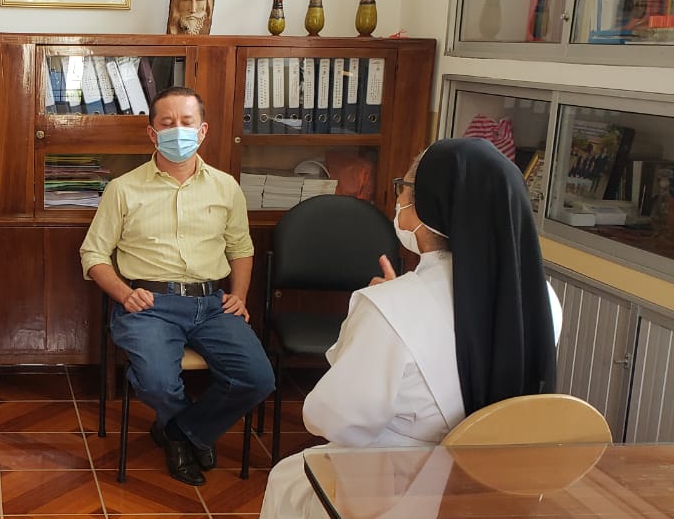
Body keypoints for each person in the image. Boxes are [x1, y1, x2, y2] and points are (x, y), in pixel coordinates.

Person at [260, 138, 563, 518]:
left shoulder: (389, 309)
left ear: (429, 205)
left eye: (402, 188)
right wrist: (394, 305)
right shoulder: (541, 299)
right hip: (500, 487)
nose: (398, 199)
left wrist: (381, 314)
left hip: (399, 490)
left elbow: (336, 419)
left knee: (287, 480)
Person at [80, 87, 275, 486]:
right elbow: (93, 254)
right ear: (152, 133)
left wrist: (239, 294)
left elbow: (241, 248)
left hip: (212, 303)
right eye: (167, 123)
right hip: (149, 305)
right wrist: (123, 293)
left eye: (187, 122)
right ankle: (189, 435)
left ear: (203, 131)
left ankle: (180, 432)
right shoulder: (123, 188)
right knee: (156, 381)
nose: (178, 131)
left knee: (258, 378)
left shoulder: (226, 187)